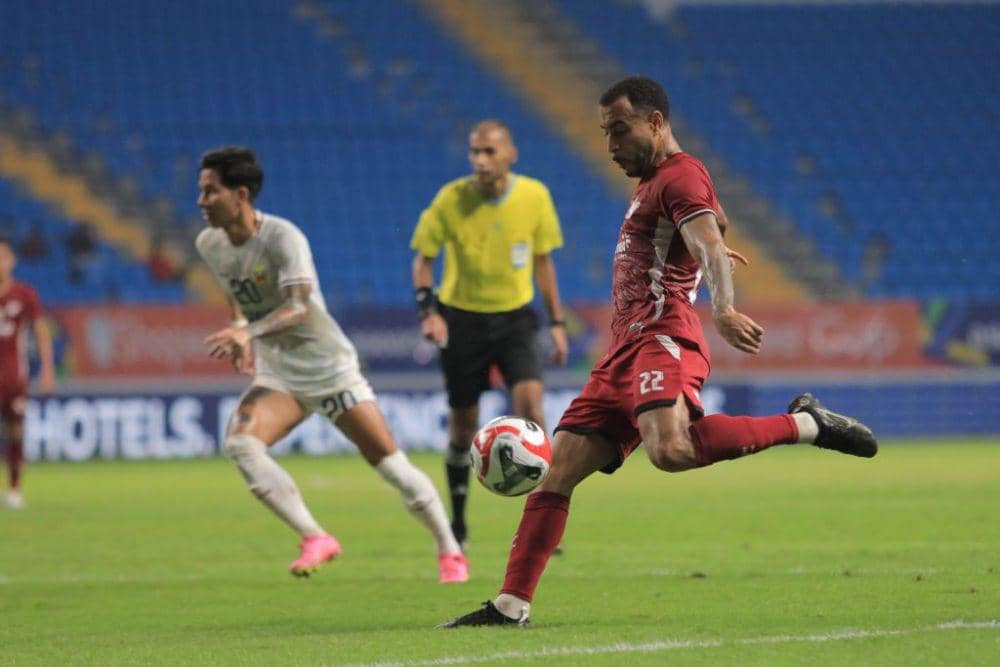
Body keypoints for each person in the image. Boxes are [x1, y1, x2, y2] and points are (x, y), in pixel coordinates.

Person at [441, 76, 878, 627]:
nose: (610, 145)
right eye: (604, 133)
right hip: (622, 351)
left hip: (662, 337)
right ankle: (511, 606)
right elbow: (703, 231)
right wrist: (706, 242)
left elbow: (708, 241)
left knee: (670, 450)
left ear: (655, 122)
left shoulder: (680, 174)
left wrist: (721, 303)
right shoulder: (656, 183)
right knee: (556, 473)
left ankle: (807, 425)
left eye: (619, 131)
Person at [195, 146, 467, 582]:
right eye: (201, 191)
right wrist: (240, 327)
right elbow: (236, 294)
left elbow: (299, 307)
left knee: (391, 465)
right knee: (242, 444)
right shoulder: (209, 244)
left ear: (240, 194)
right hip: (280, 372)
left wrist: (249, 332)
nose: (201, 201)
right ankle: (314, 537)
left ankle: (450, 550)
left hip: (328, 367)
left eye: (210, 192)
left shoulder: (283, 238)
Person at [411, 119, 569, 551]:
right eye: (474, 152)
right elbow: (423, 260)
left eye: (488, 152)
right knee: (464, 429)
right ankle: (458, 525)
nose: (479, 160)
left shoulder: (535, 196)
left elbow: (544, 263)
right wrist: (430, 313)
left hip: (516, 318)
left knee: (533, 410)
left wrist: (556, 322)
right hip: (461, 319)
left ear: (510, 155)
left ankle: (541, 525)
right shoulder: (451, 199)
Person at [0, 240, 56, 509]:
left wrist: (47, 369)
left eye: (3, 257)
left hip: (13, 377)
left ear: (12, 262)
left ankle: (14, 488)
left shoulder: (24, 294)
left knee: (15, 431)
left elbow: (41, 332)